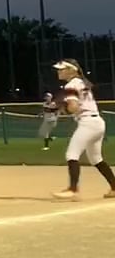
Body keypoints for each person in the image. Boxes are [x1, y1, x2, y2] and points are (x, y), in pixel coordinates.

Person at [49, 59, 112, 200]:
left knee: (71, 154)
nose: (59, 72)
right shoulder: (82, 83)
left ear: (72, 70)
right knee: (96, 159)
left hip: (87, 123)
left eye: (62, 69)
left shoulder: (71, 85)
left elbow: (74, 107)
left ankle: (73, 189)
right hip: (97, 122)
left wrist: (62, 108)